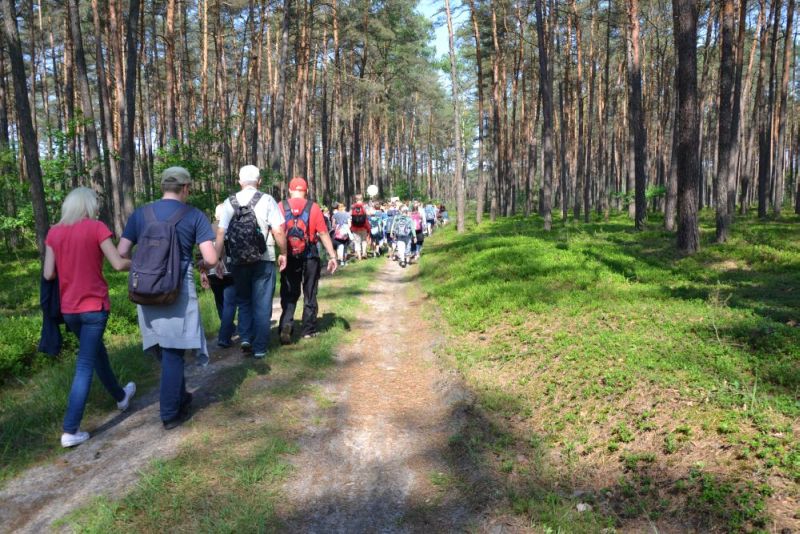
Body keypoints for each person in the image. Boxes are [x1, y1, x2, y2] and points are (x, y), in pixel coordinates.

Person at [119, 167, 217, 429]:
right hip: (177, 286)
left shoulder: (141, 214)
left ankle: (180, 395)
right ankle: (170, 413)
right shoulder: (194, 215)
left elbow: (121, 256)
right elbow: (211, 258)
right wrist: (201, 266)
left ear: (163, 186)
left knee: (165, 347)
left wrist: (148, 265)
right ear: (185, 188)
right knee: (174, 350)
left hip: (146, 286)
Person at [43, 187, 136, 447]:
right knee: (85, 365)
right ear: (88, 206)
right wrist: (139, 262)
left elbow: (49, 273)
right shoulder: (96, 228)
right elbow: (118, 263)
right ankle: (70, 429)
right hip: (94, 307)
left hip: (70, 310)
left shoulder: (54, 232)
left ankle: (121, 396)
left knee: (96, 355)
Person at [215, 165, 287, 360]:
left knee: (244, 301)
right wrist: (284, 253)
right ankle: (260, 347)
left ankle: (246, 337)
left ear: (240, 182)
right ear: (259, 181)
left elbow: (221, 233)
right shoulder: (267, 200)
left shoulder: (229, 202)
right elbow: (278, 231)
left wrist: (218, 260)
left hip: (236, 261)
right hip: (263, 259)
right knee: (262, 304)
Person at [278, 177, 338, 344]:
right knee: (310, 292)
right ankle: (307, 330)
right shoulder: (314, 207)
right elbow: (323, 233)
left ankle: (286, 324)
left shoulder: (281, 206)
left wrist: (279, 253)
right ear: (306, 191)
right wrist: (332, 256)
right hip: (310, 254)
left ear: (290, 190)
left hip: (289, 254)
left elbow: (276, 232)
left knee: (290, 292)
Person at [199, 203, 238, 349]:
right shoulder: (231, 228)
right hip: (228, 270)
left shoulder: (205, 229)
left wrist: (203, 272)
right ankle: (224, 336)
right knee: (229, 303)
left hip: (211, 271)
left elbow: (199, 253)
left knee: (220, 302)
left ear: (216, 215)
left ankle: (228, 329)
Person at [349, 194, 371, 260]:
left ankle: (359, 256)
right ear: (362, 199)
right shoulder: (365, 206)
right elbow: (369, 213)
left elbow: (350, 215)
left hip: (355, 226)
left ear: (356, 199)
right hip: (364, 226)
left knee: (357, 242)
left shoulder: (352, 206)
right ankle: (364, 252)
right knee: (364, 240)